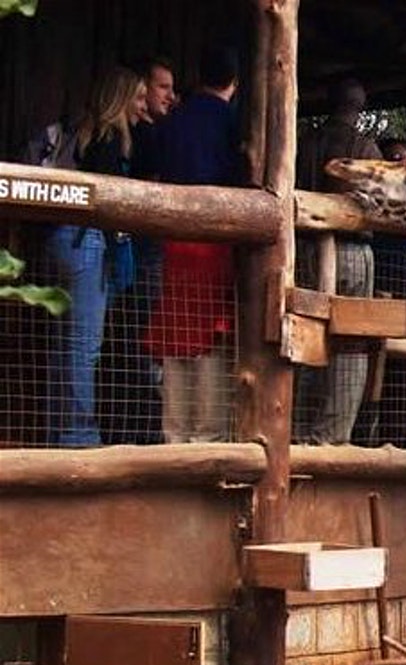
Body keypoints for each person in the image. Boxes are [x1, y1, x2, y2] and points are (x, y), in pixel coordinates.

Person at [143, 44, 242, 443]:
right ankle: (207, 442)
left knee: (176, 338)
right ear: (235, 82)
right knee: (211, 343)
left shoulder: (172, 120)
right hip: (216, 247)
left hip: (173, 246)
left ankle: (174, 438)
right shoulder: (235, 122)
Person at [44, 65, 147, 447]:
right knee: (84, 344)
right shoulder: (111, 139)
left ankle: (59, 429)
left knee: (64, 342)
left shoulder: (84, 131)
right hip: (86, 243)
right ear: (120, 99)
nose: (142, 105)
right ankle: (78, 435)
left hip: (63, 242)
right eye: (137, 97)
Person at [293, 77, 382, 444]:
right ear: (358, 108)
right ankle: (333, 434)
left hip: (306, 249)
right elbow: (378, 201)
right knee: (351, 340)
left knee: (308, 333)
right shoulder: (365, 147)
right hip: (352, 251)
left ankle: (297, 427)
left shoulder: (308, 142)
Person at [100, 55, 177, 444]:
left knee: (132, 340)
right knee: (134, 342)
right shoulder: (140, 136)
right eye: (161, 88)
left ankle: (130, 428)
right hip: (136, 254)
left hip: (133, 254)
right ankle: (137, 431)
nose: (169, 97)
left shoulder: (141, 134)